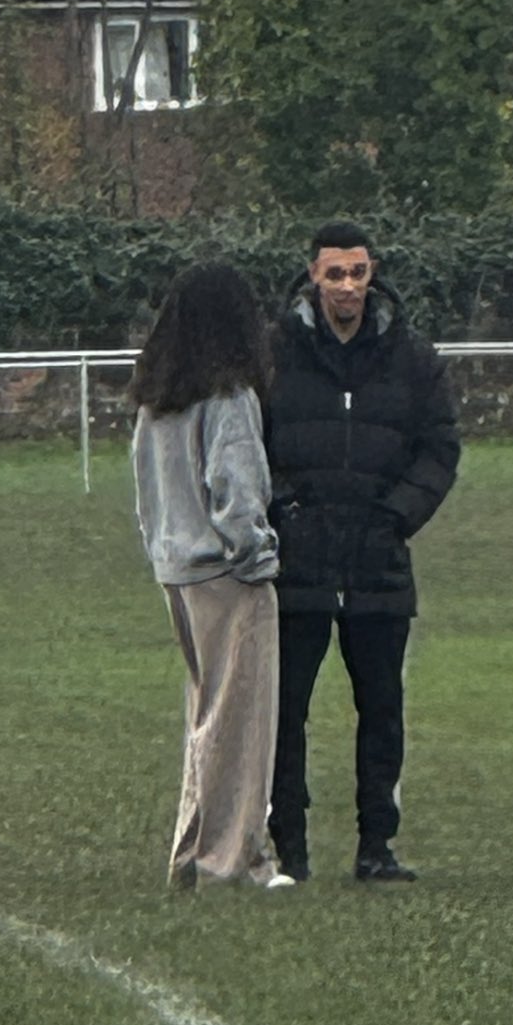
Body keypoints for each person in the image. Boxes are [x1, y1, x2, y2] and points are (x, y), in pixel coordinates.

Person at [265, 221, 460, 883]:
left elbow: (440, 451)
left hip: (378, 564)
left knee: (382, 710)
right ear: (313, 277)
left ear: (372, 274)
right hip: (297, 566)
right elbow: (247, 445)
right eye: (334, 274)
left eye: (357, 273)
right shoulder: (273, 355)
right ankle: (286, 847)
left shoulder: (413, 358)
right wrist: (285, 513)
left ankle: (377, 845)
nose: (347, 287)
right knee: (284, 714)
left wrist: (397, 516)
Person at [131, 262, 292, 891]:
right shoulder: (229, 398)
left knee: (204, 713)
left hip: (177, 571)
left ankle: (192, 848)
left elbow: (148, 493)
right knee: (241, 721)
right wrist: (257, 557)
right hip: (226, 574)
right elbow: (238, 489)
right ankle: (233, 858)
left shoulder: (156, 401)